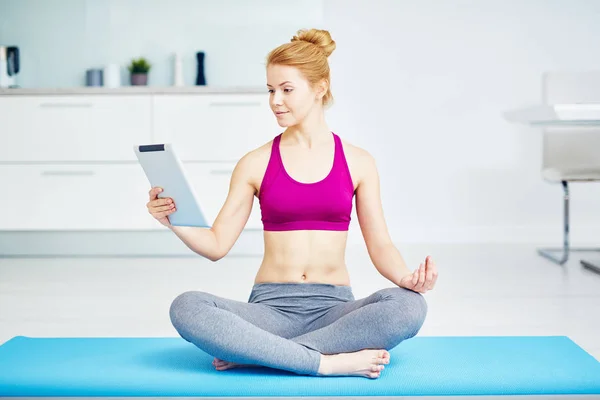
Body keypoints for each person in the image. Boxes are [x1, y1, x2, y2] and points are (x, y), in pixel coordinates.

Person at [146, 28, 438, 379]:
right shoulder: (255, 162)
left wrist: (408, 278)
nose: (275, 101)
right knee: (187, 306)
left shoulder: (359, 162)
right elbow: (216, 245)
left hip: (334, 311)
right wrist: (174, 219)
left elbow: (381, 245)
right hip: (269, 311)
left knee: (409, 306)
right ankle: (324, 361)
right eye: (270, 90)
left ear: (320, 88)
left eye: (286, 90)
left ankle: (259, 353)